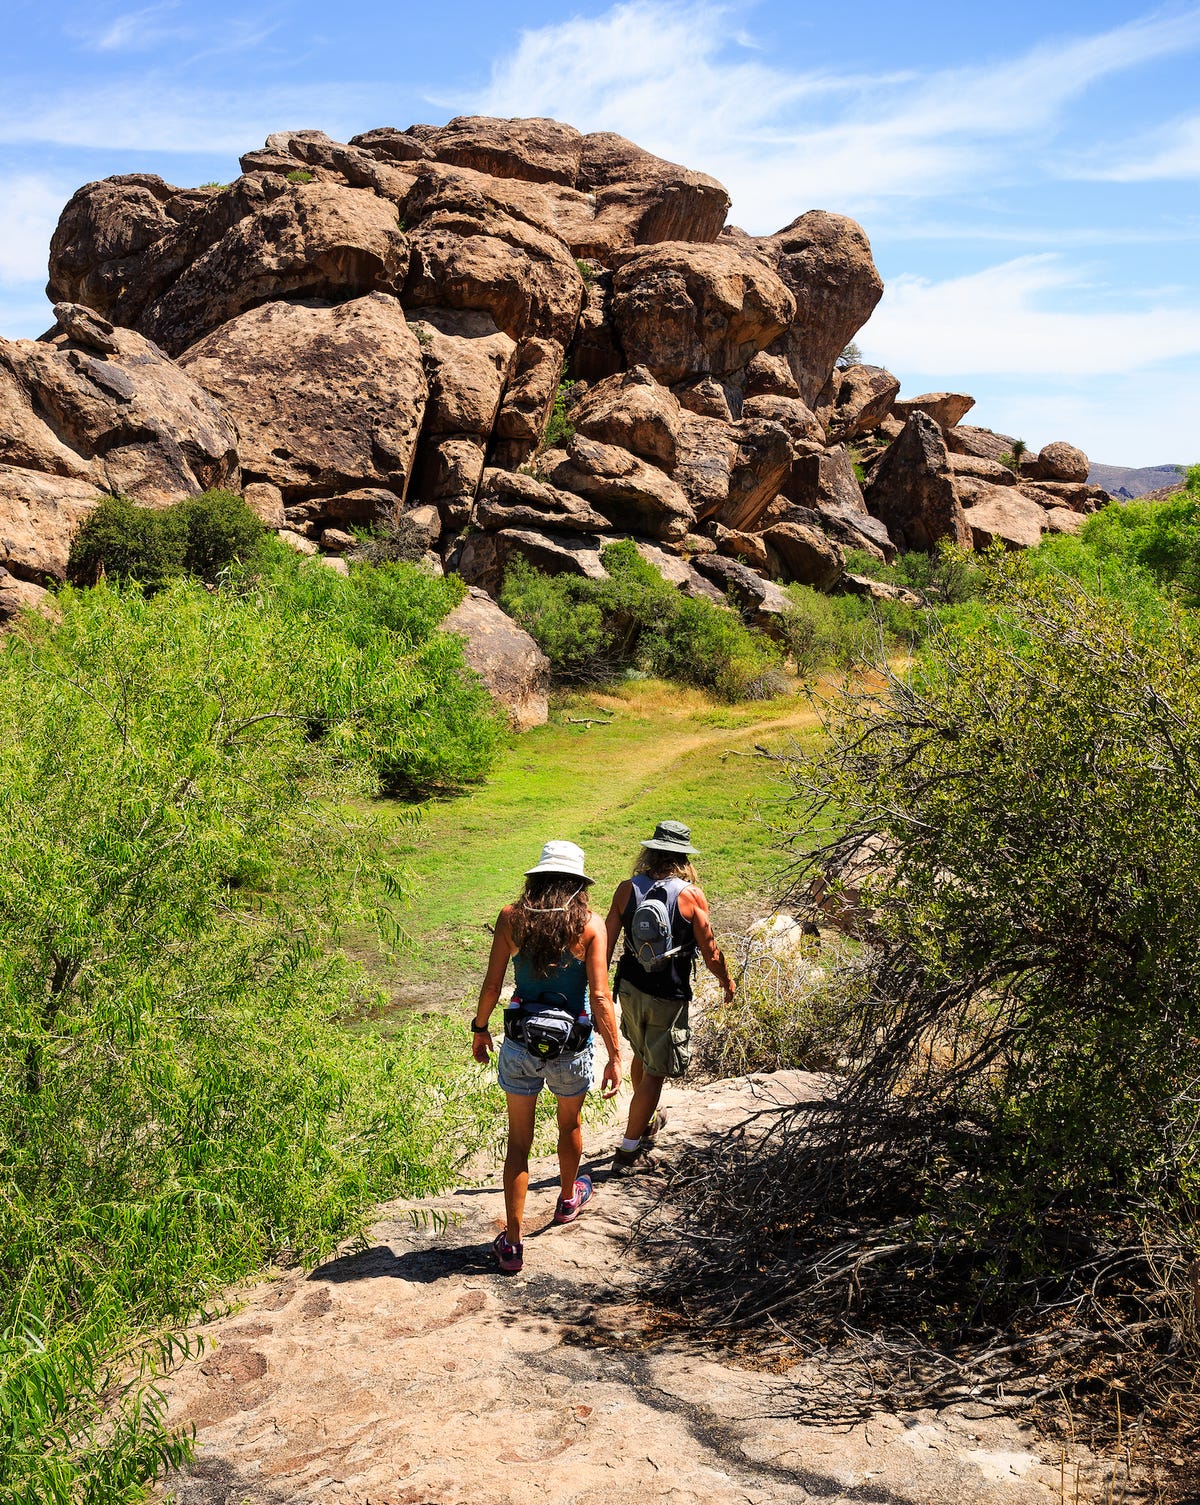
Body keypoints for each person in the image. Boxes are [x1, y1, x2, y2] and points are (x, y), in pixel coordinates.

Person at [472, 840, 622, 1273]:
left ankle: (513, 1244)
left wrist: (480, 1030)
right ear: (579, 884)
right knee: (569, 1123)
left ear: (535, 880)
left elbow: (491, 984)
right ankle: (567, 1198)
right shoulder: (591, 925)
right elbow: (599, 995)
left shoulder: (511, 919)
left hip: (520, 1042)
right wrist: (614, 1055)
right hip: (571, 1045)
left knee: (519, 1143)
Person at [604, 820, 735, 1174]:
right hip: (668, 994)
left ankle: (645, 1121)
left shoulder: (625, 890)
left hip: (629, 988)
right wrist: (726, 981)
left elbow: (605, 945)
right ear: (683, 857)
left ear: (649, 852)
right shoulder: (690, 895)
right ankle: (629, 1152)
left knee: (641, 1055)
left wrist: (598, 989)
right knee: (656, 1071)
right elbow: (710, 952)